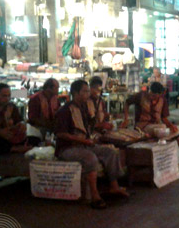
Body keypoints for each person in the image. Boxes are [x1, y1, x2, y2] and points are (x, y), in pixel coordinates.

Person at [55, 80, 128, 209]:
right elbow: (61, 134)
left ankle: (114, 187)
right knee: (90, 158)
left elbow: (89, 126)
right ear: (75, 93)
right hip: (68, 148)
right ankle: (94, 195)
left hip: (84, 144)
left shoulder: (84, 108)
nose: (88, 94)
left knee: (110, 152)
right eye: (85, 91)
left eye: (88, 91)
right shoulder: (64, 111)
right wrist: (84, 141)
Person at [122, 82, 179, 167]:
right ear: (149, 91)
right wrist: (126, 118)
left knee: (177, 134)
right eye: (152, 95)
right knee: (163, 128)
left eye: (155, 96)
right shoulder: (141, 95)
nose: (153, 98)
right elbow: (127, 103)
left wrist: (171, 126)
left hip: (157, 127)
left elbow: (163, 117)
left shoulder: (162, 100)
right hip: (142, 127)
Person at [27, 78, 60, 146]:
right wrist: (49, 125)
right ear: (49, 88)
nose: (58, 90)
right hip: (38, 129)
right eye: (57, 87)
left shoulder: (55, 99)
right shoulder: (36, 99)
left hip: (51, 128)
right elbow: (33, 118)